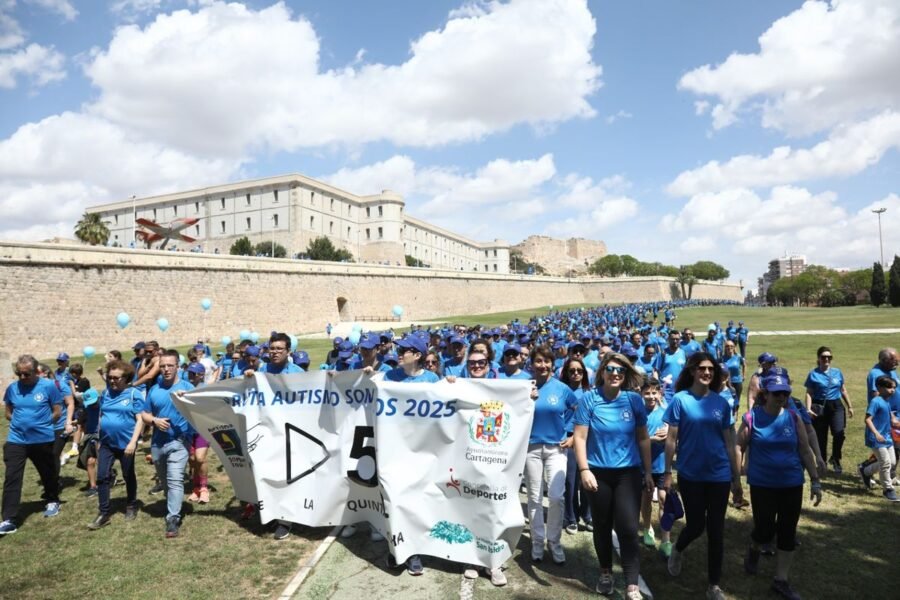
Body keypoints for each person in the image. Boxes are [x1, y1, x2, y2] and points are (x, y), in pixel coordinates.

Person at [663, 352, 743, 600]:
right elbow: (671, 439)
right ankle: (678, 548)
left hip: (718, 474)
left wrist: (736, 479)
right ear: (692, 371)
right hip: (690, 474)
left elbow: (730, 443)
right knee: (696, 525)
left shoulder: (721, 403)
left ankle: (713, 586)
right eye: (702, 369)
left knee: (716, 529)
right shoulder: (679, 400)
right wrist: (667, 472)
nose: (707, 373)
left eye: (710, 369)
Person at [736, 371, 822, 600]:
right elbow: (738, 445)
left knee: (787, 530)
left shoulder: (793, 418)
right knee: (765, 530)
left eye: (785, 393)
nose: (781, 397)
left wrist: (815, 480)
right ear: (766, 394)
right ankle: (754, 549)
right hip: (763, 484)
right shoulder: (752, 418)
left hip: (792, 483)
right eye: (777, 393)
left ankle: (781, 580)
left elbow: (804, 449)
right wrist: (737, 476)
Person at [574, 353, 653, 600]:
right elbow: (580, 437)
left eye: (620, 370)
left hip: (628, 473)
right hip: (597, 473)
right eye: (610, 369)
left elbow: (643, 438)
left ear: (626, 374)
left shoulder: (633, 400)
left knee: (628, 527)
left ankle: (631, 584)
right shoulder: (589, 400)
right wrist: (584, 470)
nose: (615, 374)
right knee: (602, 525)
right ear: (602, 372)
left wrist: (649, 472)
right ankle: (605, 572)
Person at [384, 334, 437, 574]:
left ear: (417, 356)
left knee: (417, 503)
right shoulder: (389, 376)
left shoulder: (432, 379)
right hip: (394, 451)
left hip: (422, 453)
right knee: (395, 502)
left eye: (405, 350)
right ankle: (397, 550)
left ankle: (414, 552)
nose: (399, 353)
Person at [526, 345, 579, 565]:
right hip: (531, 448)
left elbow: (579, 412)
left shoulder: (562, 388)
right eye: (538, 361)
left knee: (556, 497)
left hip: (557, 448)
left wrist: (573, 435)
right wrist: (526, 399)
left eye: (546, 361)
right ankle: (537, 541)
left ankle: (554, 541)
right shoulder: (524, 387)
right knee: (534, 497)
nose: (542, 365)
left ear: (552, 364)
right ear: (532, 364)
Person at [0, 355, 64, 535]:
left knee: (47, 473)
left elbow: (57, 411)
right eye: (19, 374)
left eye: (26, 374)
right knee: (12, 476)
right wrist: (19, 423)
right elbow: (8, 412)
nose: (22, 378)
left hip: (42, 439)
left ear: (36, 371)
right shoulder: (13, 388)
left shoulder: (48, 386)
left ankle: (52, 499)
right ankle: (8, 519)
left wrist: (42, 425)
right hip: (16, 440)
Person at [142, 350, 194, 537]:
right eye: (162, 366)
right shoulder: (155, 389)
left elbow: (202, 409)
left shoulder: (187, 387)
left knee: (174, 479)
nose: (166, 369)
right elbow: (145, 414)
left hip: (179, 442)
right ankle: (172, 502)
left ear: (177, 366)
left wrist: (187, 398)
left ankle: (173, 518)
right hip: (157, 444)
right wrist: (154, 420)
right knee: (165, 481)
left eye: (170, 365)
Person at [88, 360, 145, 530]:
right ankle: (104, 513)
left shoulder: (134, 394)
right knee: (102, 477)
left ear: (126, 378)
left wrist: (133, 442)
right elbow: (102, 415)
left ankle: (131, 505)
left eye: (116, 378)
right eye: (110, 377)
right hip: (106, 443)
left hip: (126, 444)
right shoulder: (105, 393)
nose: (112, 380)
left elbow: (140, 419)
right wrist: (99, 437)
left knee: (128, 475)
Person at [804, 346, 853, 475]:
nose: (826, 359)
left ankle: (836, 458)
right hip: (819, 407)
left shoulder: (837, 372)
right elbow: (809, 393)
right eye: (823, 357)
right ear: (818, 358)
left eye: (829, 357)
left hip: (836, 406)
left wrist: (850, 406)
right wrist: (808, 409)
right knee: (821, 437)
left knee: (839, 433)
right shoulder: (813, 374)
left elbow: (843, 390)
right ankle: (822, 462)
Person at [560, 356, 592, 535]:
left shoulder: (589, 393)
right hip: (566, 439)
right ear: (566, 373)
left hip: (586, 439)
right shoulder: (561, 391)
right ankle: (571, 517)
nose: (576, 374)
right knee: (570, 481)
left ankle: (587, 514)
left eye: (579, 371)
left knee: (586, 479)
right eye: (572, 371)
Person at [639, 377, 672, 557]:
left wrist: (669, 432)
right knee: (645, 499)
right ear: (641, 394)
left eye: (654, 393)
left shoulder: (666, 412)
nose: (651, 396)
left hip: (662, 465)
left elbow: (676, 435)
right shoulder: (639, 414)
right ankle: (647, 528)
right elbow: (633, 439)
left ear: (660, 393)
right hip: (645, 467)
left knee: (663, 500)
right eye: (647, 393)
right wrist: (651, 439)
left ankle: (666, 539)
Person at [859, 376, 900, 502]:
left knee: (892, 462)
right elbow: (867, 419)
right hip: (876, 438)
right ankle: (888, 489)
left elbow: (887, 414)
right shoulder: (876, 401)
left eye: (894, 388)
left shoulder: (886, 401)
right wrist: (876, 433)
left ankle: (865, 470)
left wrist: (893, 419)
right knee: (886, 463)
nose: (892, 390)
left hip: (886, 437)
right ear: (879, 388)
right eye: (889, 387)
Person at [721, 341, 745, 407]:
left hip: (737, 382)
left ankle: (736, 416)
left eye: (731, 346)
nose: (729, 347)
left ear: (734, 347)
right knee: (727, 400)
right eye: (727, 346)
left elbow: (744, 365)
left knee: (736, 402)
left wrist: (743, 375)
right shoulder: (722, 358)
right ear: (725, 348)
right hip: (726, 382)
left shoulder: (738, 356)